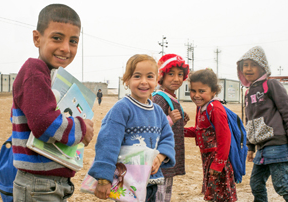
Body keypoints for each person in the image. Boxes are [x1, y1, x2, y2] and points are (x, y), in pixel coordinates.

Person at [11, 4, 94, 202]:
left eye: (73, 41)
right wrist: (82, 128)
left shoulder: (49, 75)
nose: (66, 48)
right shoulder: (34, 71)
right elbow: (44, 123)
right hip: (38, 185)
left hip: (48, 184)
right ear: (37, 38)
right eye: (57, 38)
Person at [88, 54, 176, 202]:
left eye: (149, 76)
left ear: (157, 80)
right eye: (137, 76)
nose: (143, 82)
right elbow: (107, 143)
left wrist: (160, 157)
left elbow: (167, 137)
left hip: (150, 181)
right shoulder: (122, 108)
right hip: (126, 183)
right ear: (127, 80)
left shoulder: (158, 111)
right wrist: (103, 178)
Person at [237, 46, 288, 202]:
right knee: (256, 184)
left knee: (281, 185)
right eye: (245, 65)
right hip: (261, 147)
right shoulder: (248, 92)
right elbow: (250, 120)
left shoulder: (271, 85)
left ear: (263, 67)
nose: (249, 69)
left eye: (253, 64)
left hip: (277, 144)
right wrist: (250, 147)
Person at [184, 69, 237, 202]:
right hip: (208, 157)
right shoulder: (202, 107)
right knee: (214, 195)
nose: (196, 95)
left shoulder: (215, 108)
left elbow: (225, 138)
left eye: (202, 91)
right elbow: (199, 130)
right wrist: (179, 130)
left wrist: (218, 164)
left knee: (219, 196)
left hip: (217, 159)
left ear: (214, 91)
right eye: (193, 90)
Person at [152, 53, 190, 202]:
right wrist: (170, 120)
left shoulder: (171, 97)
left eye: (180, 74)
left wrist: (180, 120)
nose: (176, 79)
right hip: (161, 158)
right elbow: (154, 126)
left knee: (165, 192)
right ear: (161, 75)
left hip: (168, 157)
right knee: (158, 193)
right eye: (171, 74)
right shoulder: (159, 98)